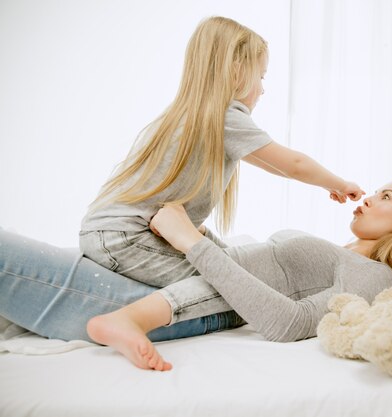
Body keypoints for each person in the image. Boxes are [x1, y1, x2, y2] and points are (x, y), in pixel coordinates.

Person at [0, 177, 392, 372]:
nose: (370, 198)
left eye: (386, 197)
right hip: (170, 280)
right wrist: (204, 240)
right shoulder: (341, 253)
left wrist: (191, 243)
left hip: (161, 302)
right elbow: (255, 273)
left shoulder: (375, 279)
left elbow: (289, 323)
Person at [79, 15, 364, 289]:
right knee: (235, 285)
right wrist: (339, 184)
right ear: (236, 70)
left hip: (107, 231)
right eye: (261, 77)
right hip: (126, 238)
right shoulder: (223, 116)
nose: (262, 90)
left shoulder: (189, 114)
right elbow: (293, 164)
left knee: (232, 266)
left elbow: (271, 164)